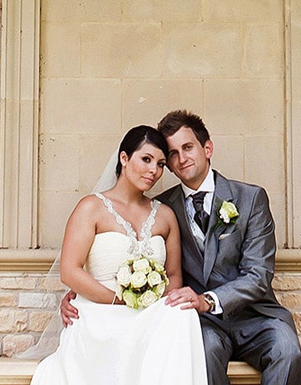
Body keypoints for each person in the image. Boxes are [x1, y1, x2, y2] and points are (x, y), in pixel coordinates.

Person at [62, 110, 301, 385]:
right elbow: (123, 252)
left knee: (287, 353)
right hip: (200, 324)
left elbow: (258, 275)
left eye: (188, 147)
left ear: (207, 148)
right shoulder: (162, 208)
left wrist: (207, 301)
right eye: (172, 154)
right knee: (201, 356)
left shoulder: (250, 199)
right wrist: (79, 294)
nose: (182, 158)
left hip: (257, 316)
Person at [31, 125, 207, 385]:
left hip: (149, 314)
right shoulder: (91, 208)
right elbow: (70, 270)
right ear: (124, 159)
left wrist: (149, 303)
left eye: (160, 164)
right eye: (145, 159)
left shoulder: (166, 215)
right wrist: (120, 301)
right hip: (99, 313)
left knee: (182, 314)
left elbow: (173, 276)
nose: (153, 171)